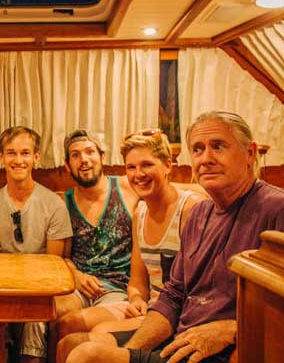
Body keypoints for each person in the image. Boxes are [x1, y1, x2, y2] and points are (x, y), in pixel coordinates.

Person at [66, 111, 284, 363]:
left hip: (222, 352)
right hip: (180, 340)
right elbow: (173, 295)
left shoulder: (275, 208)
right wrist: (132, 352)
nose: (206, 159)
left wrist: (233, 330)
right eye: (198, 150)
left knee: (87, 355)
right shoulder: (201, 213)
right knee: (80, 349)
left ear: (250, 153)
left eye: (218, 146)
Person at [56, 129, 204, 361]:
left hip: (175, 315)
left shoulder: (191, 209)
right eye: (131, 167)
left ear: (168, 165)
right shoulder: (140, 213)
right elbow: (137, 281)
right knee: (67, 342)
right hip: (147, 307)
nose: (138, 174)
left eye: (147, 165)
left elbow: (195, 289)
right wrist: (136, 299)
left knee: (89, 341)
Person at [0, 126, 73, 363]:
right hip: (1, 284)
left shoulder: (53, 204)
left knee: (36, 316)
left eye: (25, 153)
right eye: (11, 153)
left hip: (38, 286)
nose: (18, 160)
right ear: (1, 157)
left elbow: (53, 265)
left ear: (36, 157)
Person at [55, 130, 138, 337]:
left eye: (90, 152)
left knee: (72, 323)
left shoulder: (127, 187)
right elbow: (62, 258)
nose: (84, 159)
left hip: (119, 290)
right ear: (67, 165)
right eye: (75, 155)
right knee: (51, 312)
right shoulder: (63, 203)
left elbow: (168, 189)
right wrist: (77, 276)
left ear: (102, 157)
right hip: (79, 288)